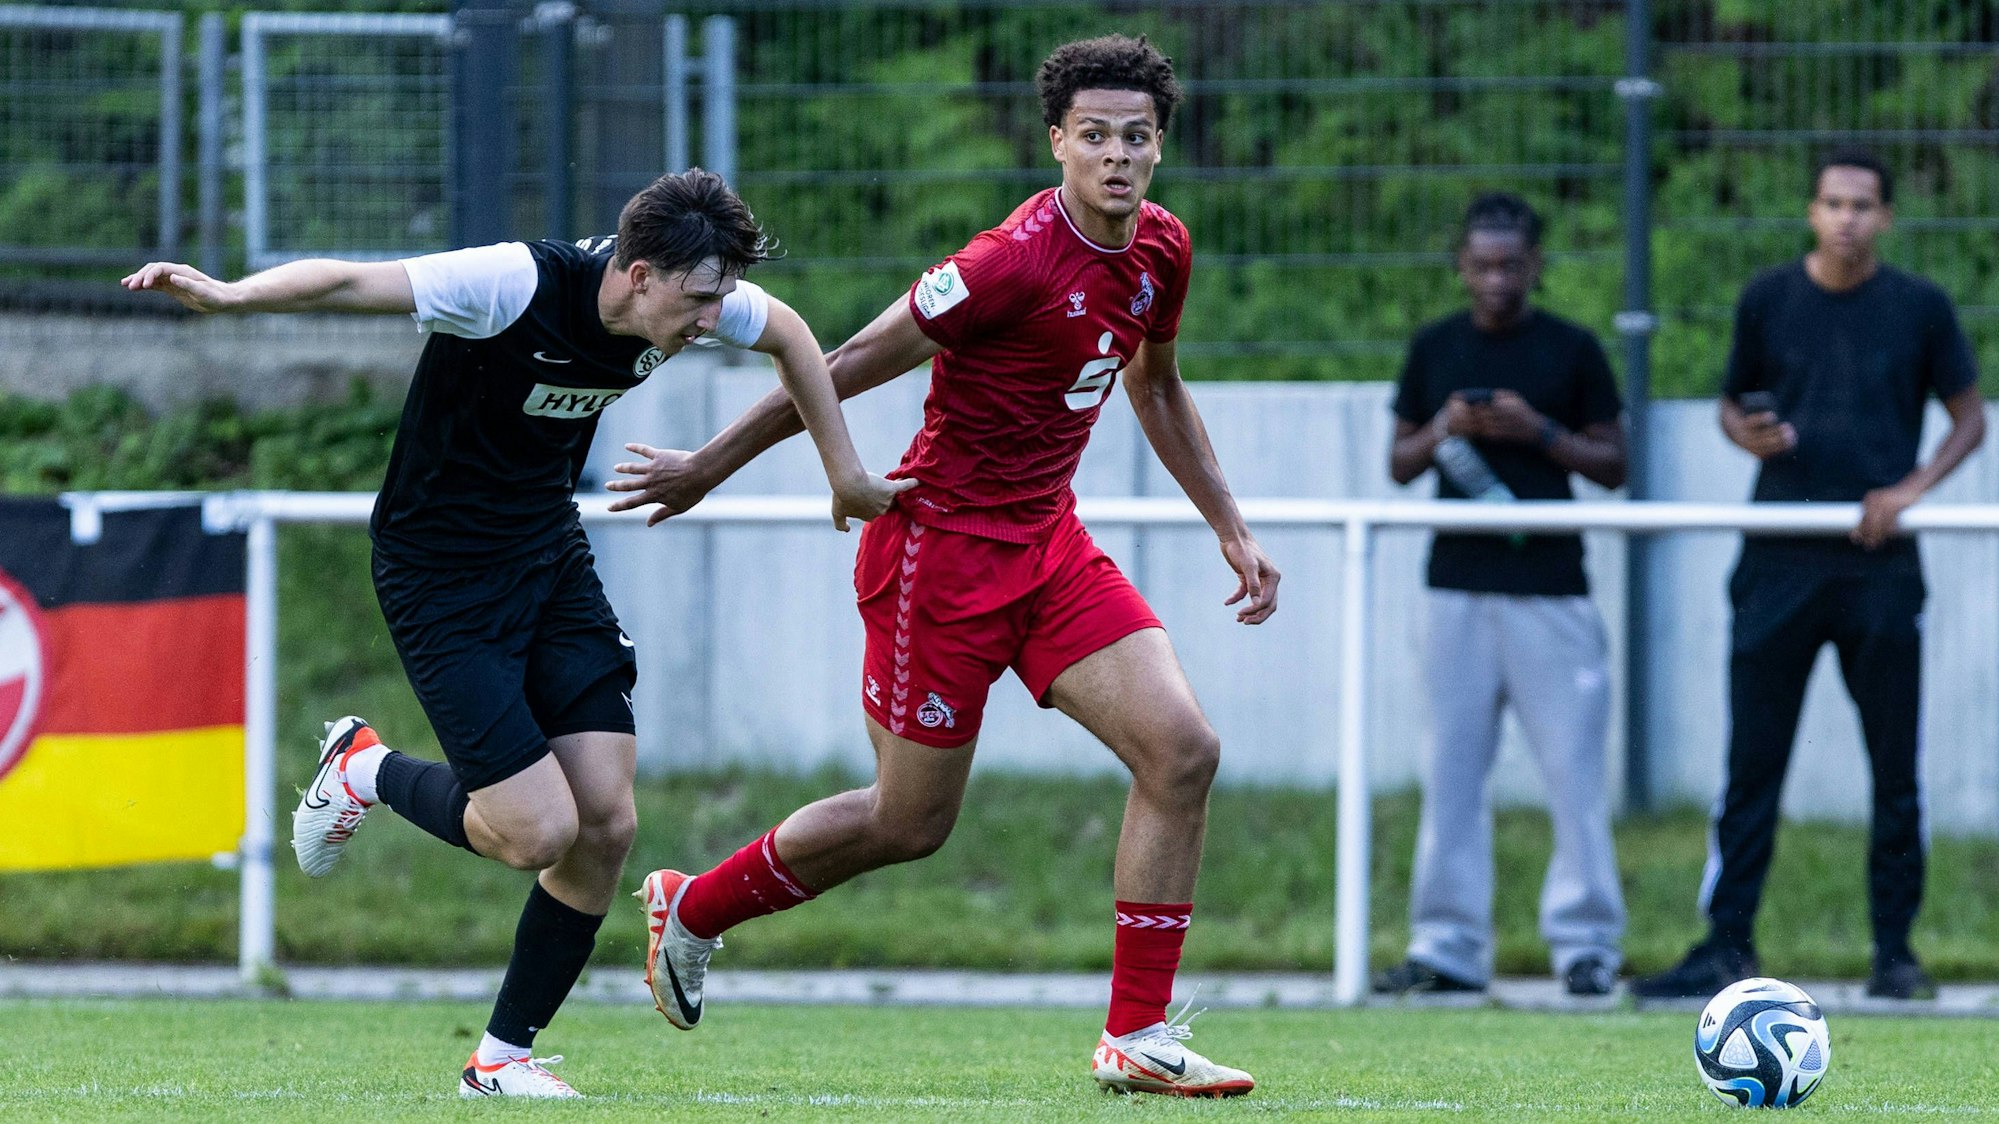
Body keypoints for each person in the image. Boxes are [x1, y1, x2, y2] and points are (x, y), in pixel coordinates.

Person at [123, 170, 907, 1096]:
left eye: (720, 298)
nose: (711, 321)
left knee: (607, 823)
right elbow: (348, 280)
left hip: (548, 558)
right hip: (437, 574)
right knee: (535, 833)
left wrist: (844, 473)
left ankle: (500, 1060)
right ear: (640, 273)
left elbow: (790, 336)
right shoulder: (511, 284)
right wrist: (230, 295)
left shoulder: (701, 300)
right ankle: (365, 769)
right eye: (698, 301)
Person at [606, 35, 1278, 1097]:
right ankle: (694, 906)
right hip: (938, 555)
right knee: (907, 821)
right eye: (1093, 135)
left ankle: (1134, 1033)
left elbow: (1156, 383)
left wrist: (1229, 525)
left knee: (1182, 748)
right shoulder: (1005, 262)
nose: (1115, 154)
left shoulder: (1161, 248)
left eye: (1135, 137)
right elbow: (840, 365)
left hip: (1049, 545)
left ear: (1159, 147)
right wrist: (705, 466)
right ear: (1057, 141)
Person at [1633, 151, 1984, 1002]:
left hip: (1879, 568)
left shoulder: (1919, 308)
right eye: (1831, 203)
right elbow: (1730, 402)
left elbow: (1969, 419)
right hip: (1777, 561)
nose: (1846, 218)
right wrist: (1738, 432)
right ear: (1810, 210)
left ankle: (1894, 954)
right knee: (1751, 766)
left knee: (1893, 770)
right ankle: (1724, 945)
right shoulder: (1768, 297)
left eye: (1862, 204)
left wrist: (1905, 492)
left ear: (1886, 217)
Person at [1371, 193, 1630, 999]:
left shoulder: (1573, 350)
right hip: (1454, 590)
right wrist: (1448, 426)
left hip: (1552, 593)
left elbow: (1616, 465)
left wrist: (1537, 432)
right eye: (1481, 264)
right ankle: (1446, 946)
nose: (1495, 279)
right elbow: (1400, 464)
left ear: (1535, 266)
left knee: (1573, 776)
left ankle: (1585, 946)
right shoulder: (1434, 347)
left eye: (1510, 265)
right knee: (1449, 773)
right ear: (1460, 266)